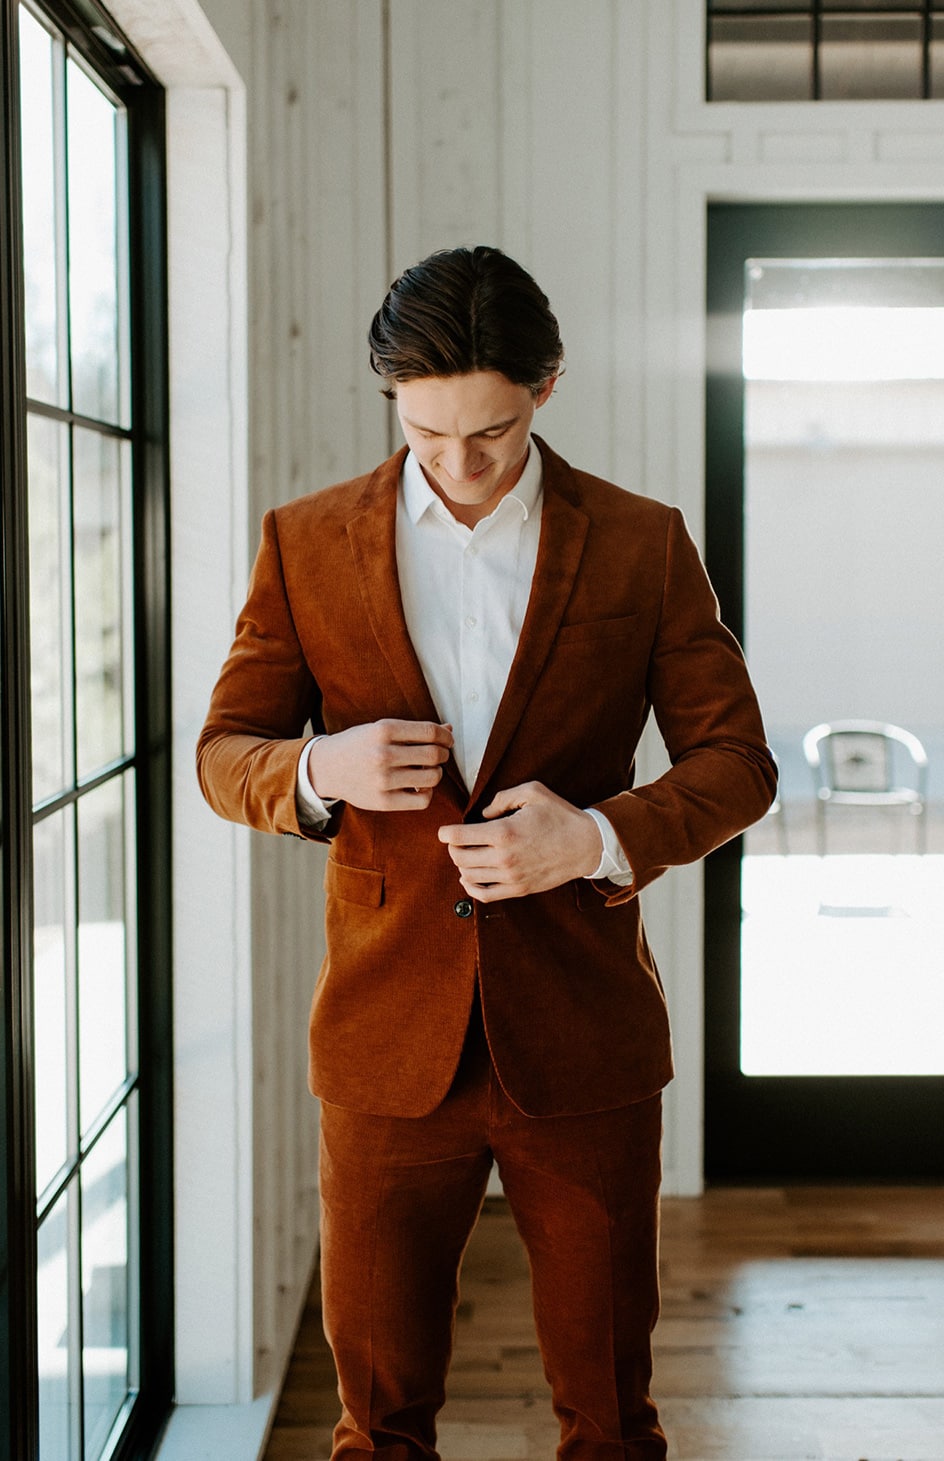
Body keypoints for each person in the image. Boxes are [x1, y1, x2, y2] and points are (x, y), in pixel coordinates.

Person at [197, 245, 776, 1460]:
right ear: (391, 401)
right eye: (427, 433)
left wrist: (597, 836)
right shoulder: (303, 543)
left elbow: (736, 766)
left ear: (546, 390)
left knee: (612, 1423)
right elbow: (223, 753)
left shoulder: (640, 542)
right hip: (381, 1042)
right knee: (378, 1426)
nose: (459, 467)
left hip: (584, 1042)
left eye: (493, 434)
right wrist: (317, 772)